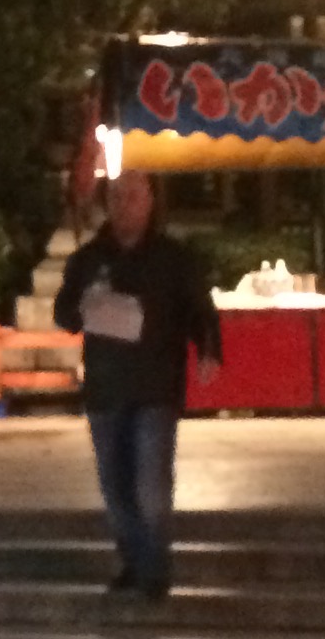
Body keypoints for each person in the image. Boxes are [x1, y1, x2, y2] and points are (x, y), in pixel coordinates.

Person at [52, 170, 220, 599]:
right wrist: (86, 302)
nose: (125, 205)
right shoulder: (89, 259)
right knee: (115, 485)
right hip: (106, 387)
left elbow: (199, 308)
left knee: (151, 484)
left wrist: (208, 348)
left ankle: (154, 570)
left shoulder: (172, 258)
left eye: (133, 197)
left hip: (155, 385)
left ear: (149, 203)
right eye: (117, 197)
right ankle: (132, 560)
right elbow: (64, 314)